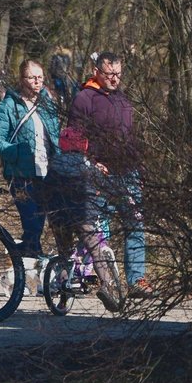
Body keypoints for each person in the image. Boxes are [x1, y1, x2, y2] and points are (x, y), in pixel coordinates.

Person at [68, 51, 154, 298]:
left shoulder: (123, 100)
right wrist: (91, 163)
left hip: (128, 172)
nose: (115, 78)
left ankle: (136, 279)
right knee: (93, 228)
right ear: (97, 71)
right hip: (99, 173)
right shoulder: (84, 98)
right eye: (110, 74)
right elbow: (73, 138)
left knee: (134, 222)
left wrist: (139, 165)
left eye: (118, 73)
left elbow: (130, 135)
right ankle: (83, 274)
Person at [42, 127, 121, 312]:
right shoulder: (87, 166)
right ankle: (105, 285)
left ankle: (63, 296)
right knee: (94, 249)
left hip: (58, 217)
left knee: (64, 254)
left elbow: (45, 190)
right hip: (82, 216)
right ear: (84, 145)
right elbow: (101, 189)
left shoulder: (54, 165)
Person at [0, 59, 60, 259]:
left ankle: (25, 264)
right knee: (32, 224)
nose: (37, 82)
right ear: (22, 79)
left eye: (40, 77)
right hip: (21, 175)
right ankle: (24, 266)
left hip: (47, 172)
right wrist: (18, 152)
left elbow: (55, 136)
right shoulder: (10, 104)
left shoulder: (48, 103)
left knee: (40, 226)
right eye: (32, 77)